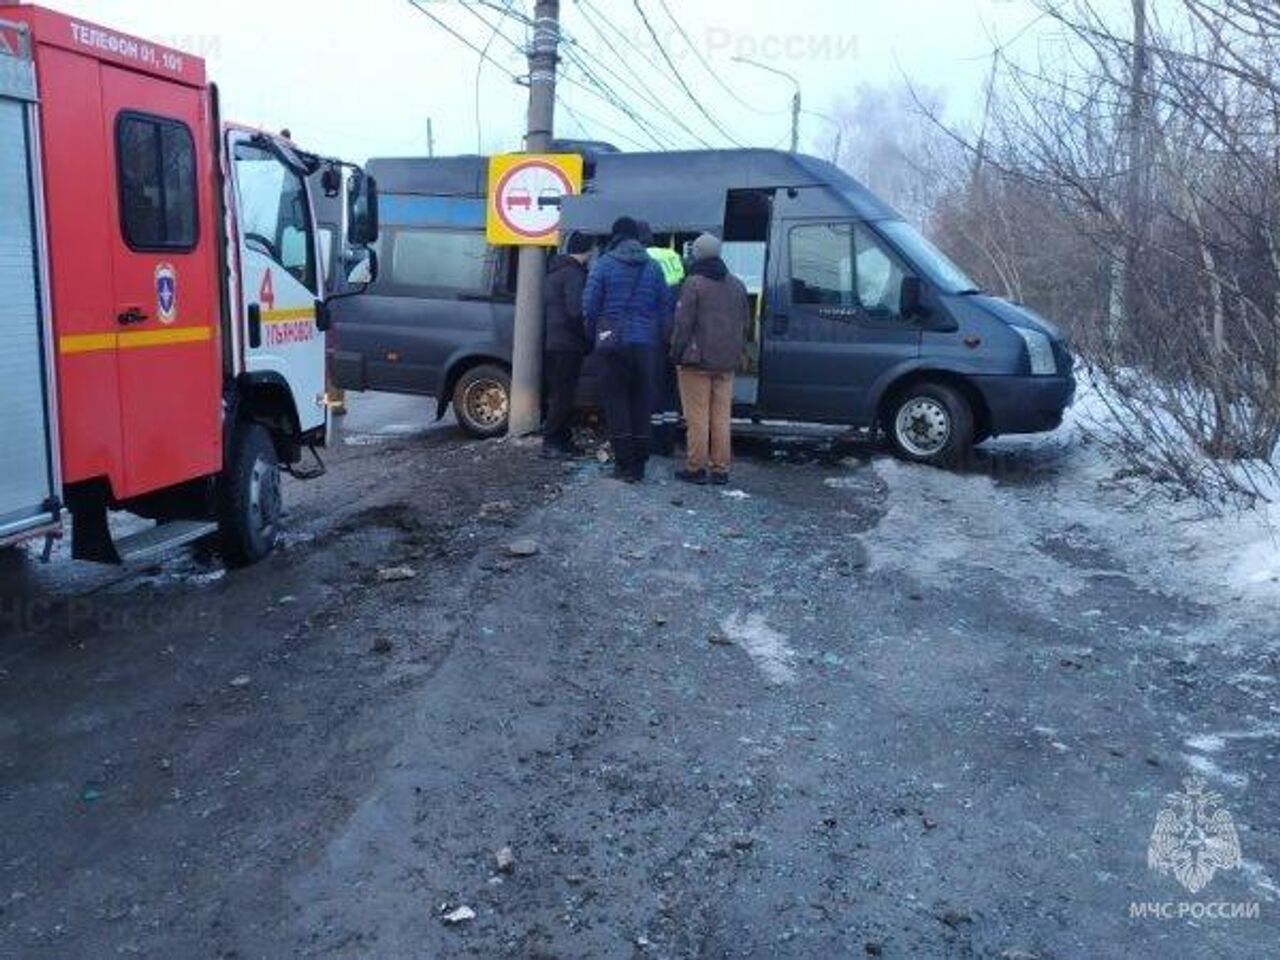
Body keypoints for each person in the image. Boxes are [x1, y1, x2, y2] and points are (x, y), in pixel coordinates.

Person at [583, 216, 669, 483]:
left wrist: (593, 337)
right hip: (645, 346)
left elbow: (589, 307)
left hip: (612, 344)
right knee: (641, 403)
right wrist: (656, 339)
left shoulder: (603, 265)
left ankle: (624, 466)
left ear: (615, 236)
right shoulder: (654, 268)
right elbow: (665, 308)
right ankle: (640, 466)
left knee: (616, 402)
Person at [669, 232, 749, 485]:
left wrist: (676, 353)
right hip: (726, 362)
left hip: (696, 362)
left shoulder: (694, 283)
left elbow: (683, 324)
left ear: (697, 254)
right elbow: (745, 324)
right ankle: (721, 469)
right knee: (721, 417)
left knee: (698, 417)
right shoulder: (737, 284)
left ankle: (696, 467)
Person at [541, 231, 594, 458]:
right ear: (588, 251)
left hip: (553, 341)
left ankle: (562, 440)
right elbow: (575, 312)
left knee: (560, 393)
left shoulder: (555, 272)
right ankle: (552, 441)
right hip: (568, 343)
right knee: (564, 395)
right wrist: (586, 337)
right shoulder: (574, 275)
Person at [638, 220, 685, 456]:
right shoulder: (672, 256)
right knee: (670, 389)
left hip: (651, 333)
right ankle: (669, 440)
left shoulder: (642, 259)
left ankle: (653, 441)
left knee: (651, 388)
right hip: (673, 331)